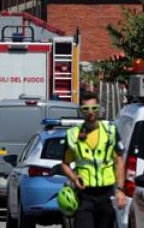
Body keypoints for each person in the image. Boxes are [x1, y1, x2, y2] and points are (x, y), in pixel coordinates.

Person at [61, 90, 126, 228]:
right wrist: (73, 178)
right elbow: (65, 165)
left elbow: (119, 162)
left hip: (107, 195)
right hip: (85, 195)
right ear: (81, 110)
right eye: (86, 108)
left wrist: (120, 190)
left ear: (99, 109)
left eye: (94, 108)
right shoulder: (73, 135)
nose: (90, 112)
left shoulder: (110, 131)